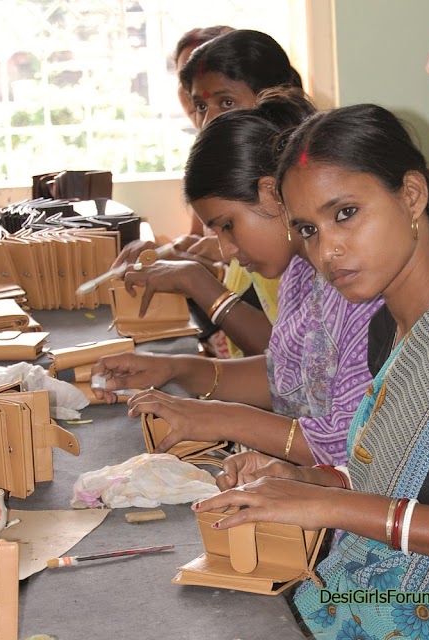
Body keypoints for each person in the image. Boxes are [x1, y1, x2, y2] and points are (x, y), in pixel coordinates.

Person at [193, 104, 429, 639]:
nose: (327, 249)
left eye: (346, 213)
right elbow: (419, 480)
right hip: (396, 593)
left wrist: (328, 503)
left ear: (412, 195)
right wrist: (300, 481)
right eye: (307, 228)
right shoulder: (392, 326)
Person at [93, 90, 384, 467]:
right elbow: (285, 377)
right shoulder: (301, 271)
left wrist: (223, 418)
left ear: (270, 195)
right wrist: (177, 369)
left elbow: (349, 444)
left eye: (228, 226)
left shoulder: (361, 285)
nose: (227, 250)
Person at [113, 29, 304, 356]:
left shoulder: (297, 208)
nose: (209, 120)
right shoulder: (244, 185)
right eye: (200, 105)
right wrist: (180, 258)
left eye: (226, 102)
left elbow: (288, 363)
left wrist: (195, 279)